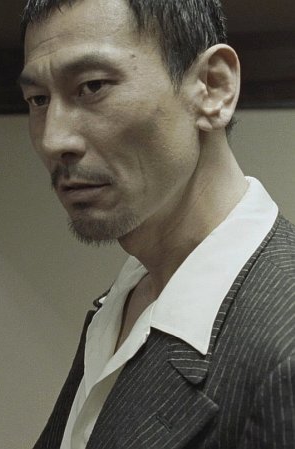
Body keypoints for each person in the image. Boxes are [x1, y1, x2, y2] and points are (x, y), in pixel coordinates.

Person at [19, 0, 295, 447]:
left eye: (92, 86)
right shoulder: (125, 299)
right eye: (38, 99)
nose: (53, 140)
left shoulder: (284, 352)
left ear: (213, 87)